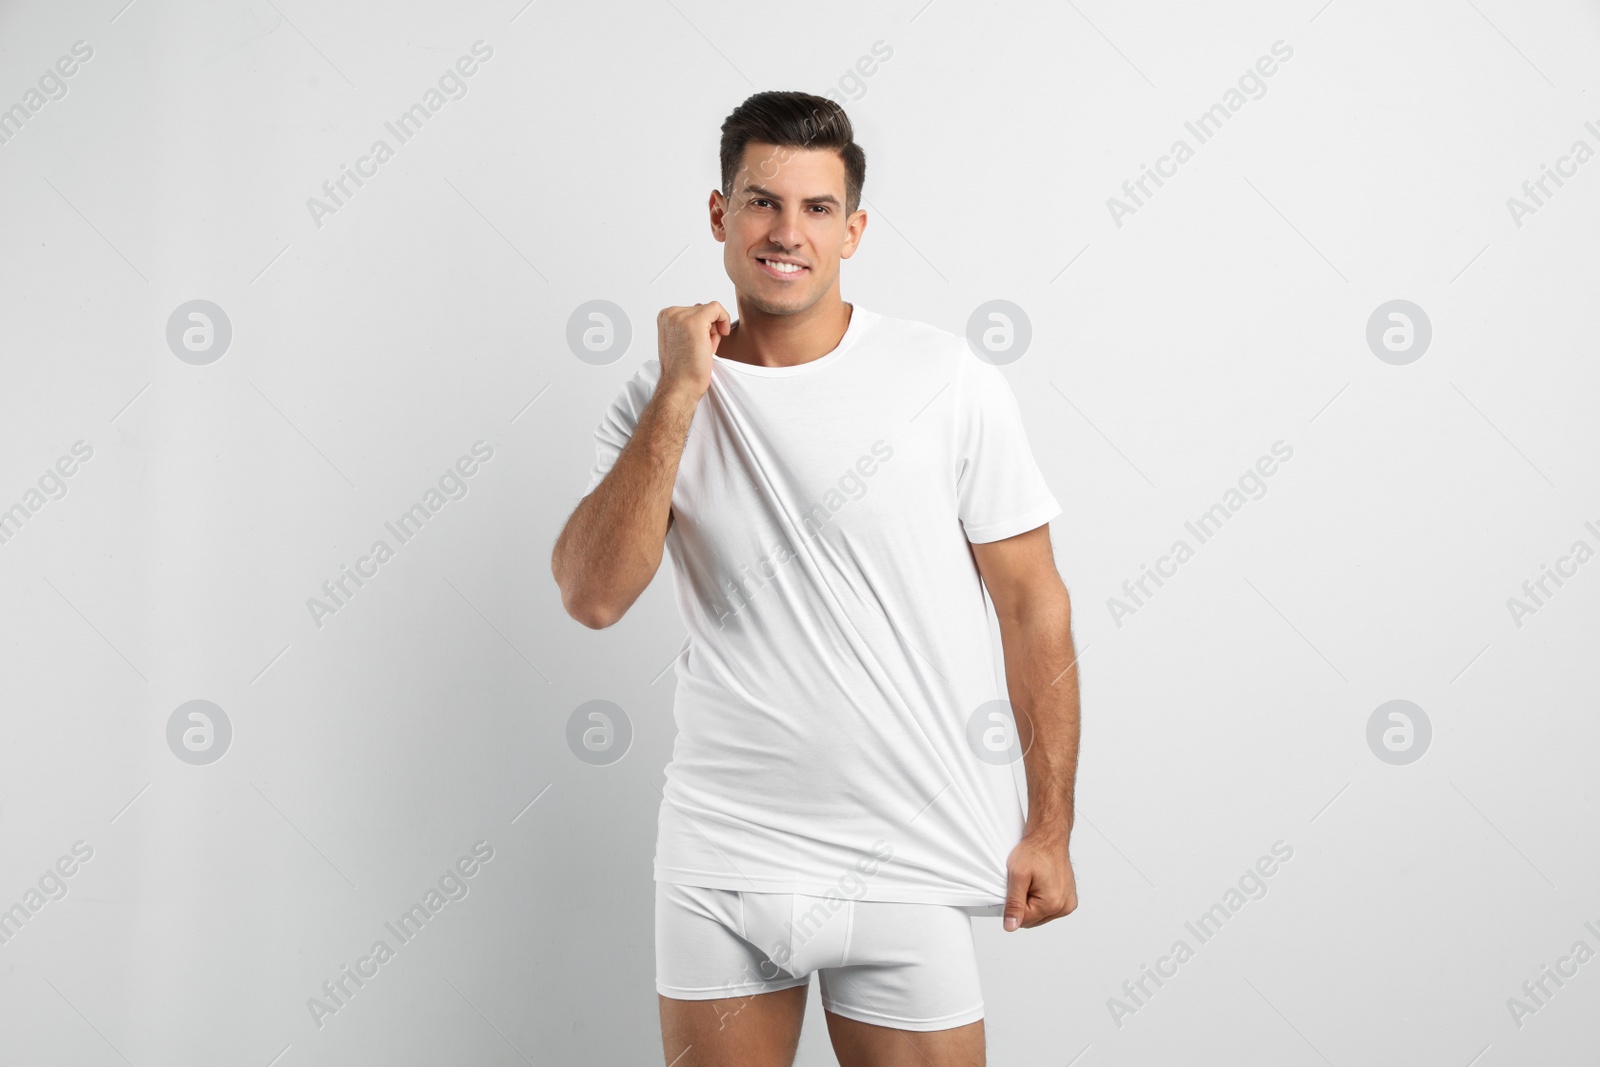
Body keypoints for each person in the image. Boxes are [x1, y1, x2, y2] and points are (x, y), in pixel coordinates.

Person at [551, 89, 1080, 1067]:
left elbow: (1030, 601)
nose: (785, 231)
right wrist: (677, 392)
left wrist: (1050, 824)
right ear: (720, 216)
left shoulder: (943, 376)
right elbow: (592, 593)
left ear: (853, 230)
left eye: (816, 208)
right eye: (761, 202)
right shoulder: (659, 393)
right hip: (722, 856)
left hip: (905, 852)